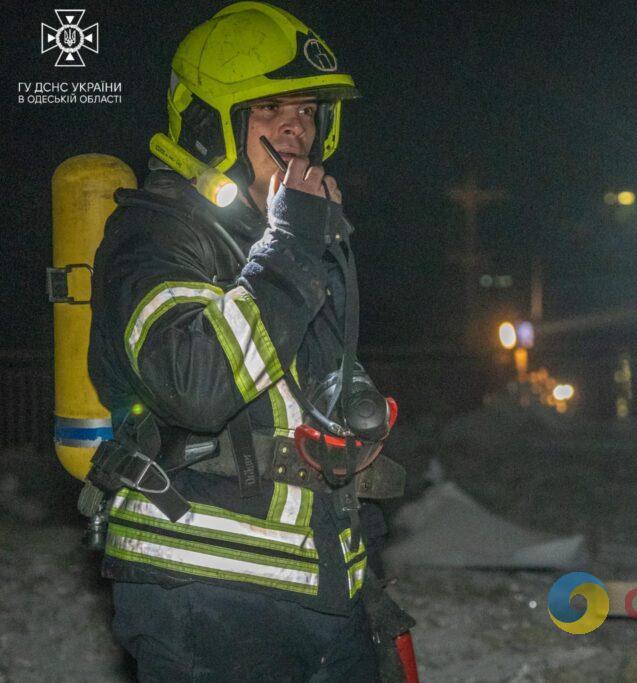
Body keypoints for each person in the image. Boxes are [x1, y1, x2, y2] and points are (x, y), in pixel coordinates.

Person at [87, 3, 402, 679]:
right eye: (269, 108)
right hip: (207, 592)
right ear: (209, 121)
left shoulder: (290, 248)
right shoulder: (157, 235)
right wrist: (292, 245)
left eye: (310, 112)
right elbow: (196, 384)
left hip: (320, 590)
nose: (297, 127)